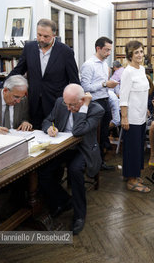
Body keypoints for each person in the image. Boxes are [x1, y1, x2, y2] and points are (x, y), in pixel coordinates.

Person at [39, 84, 104, 235]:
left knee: (75, 170)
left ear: (82, 100)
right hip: (63, 147)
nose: (67, 108)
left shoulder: (96, 110)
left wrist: (84, 108)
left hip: (83, 148)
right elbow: (47, 120)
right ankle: (63, 200)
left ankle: (80, 215)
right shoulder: (60, 102)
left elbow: (78, 131)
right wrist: (49, 128)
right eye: (66, 104)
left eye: (72, 105)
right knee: (43, 170)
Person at [7, 18, 80, 129]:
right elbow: (18, 70)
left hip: (55, 104)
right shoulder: (29, 48)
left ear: (54, 35)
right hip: (33, 102)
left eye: (46, 36)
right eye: (39, 35)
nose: (41, 39)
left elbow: (74, 80)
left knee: (54, 137)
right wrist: (4, 86)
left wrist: (76, 102)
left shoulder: (66, 52)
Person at [80, 37, 118, 171]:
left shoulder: (104, 64)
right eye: (106, 50)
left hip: (105, 100)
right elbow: (85, 87)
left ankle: (100, 163)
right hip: (94, 103)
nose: (109, 53)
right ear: (98, 48)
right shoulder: (89, 64)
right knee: (94, 135)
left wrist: (109, 86)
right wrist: (104, 84)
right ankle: (91, 164)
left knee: (103, 133)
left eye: (110, 50)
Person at [120, 40, 151, 193]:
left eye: (141, 51)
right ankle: (131, 181)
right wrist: (124, 117)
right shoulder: (127, 72)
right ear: (130, 55)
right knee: (132, 149)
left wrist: (145, 109)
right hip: (131, 117)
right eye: (136, 52)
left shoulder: (141, 69)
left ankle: (133, 174)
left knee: (139, 148)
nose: (140, 55)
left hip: (141, 116)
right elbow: (123, 97)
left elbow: (143, 92)